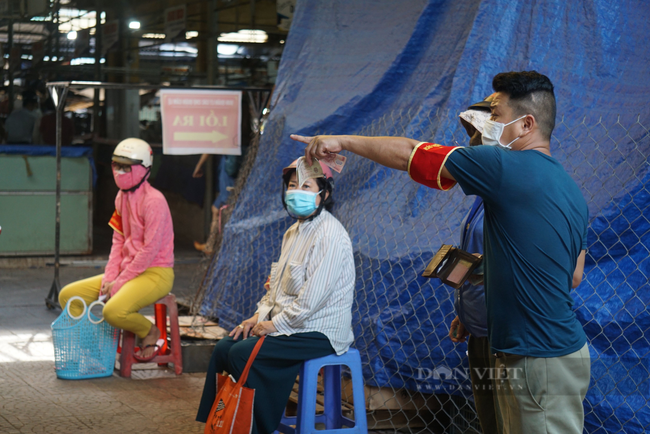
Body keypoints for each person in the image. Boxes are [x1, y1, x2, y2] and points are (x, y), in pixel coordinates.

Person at [291, 71, 590, 434]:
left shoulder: (504, 166)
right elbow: (570, 275)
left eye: (495, 116)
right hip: (552, 351)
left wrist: (343, 141)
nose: (488, 127)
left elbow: (408, 155)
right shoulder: (570, 189)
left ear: (526, 124)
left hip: (536, 356)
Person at [196, 158, 355, 434]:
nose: (296, 191)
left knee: (244, 354)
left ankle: (254, 428)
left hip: (318, 331)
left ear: (324, 194)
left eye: (306, 186)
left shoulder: (330, 235)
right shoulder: (293, 232)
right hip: (291, 325)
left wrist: (273, 325)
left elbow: (310, 300)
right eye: (293, 185)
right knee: (226, 347)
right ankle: (218, 425)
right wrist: (257, 316)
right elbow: (277, 289)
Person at [59, 138, 175, 361]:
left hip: (156, 272)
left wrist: (119, 282)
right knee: (67, 296)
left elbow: (149, 250)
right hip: (126, 272)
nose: (120, 171)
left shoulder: (155, 202)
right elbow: (118, 242)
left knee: (112, 311)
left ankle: (149, 330)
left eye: (126, 166)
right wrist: (110, 278)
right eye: (117, 165)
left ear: (144, 169)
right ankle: (91, 350)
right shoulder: (121, 197)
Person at [446, 94, 502, 434]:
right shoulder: (485, 196)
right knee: (491, 423)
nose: (473, 142)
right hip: (481, 327)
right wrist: (467, 311)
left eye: (480, 133)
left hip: (507, 333)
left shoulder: (517, 192)